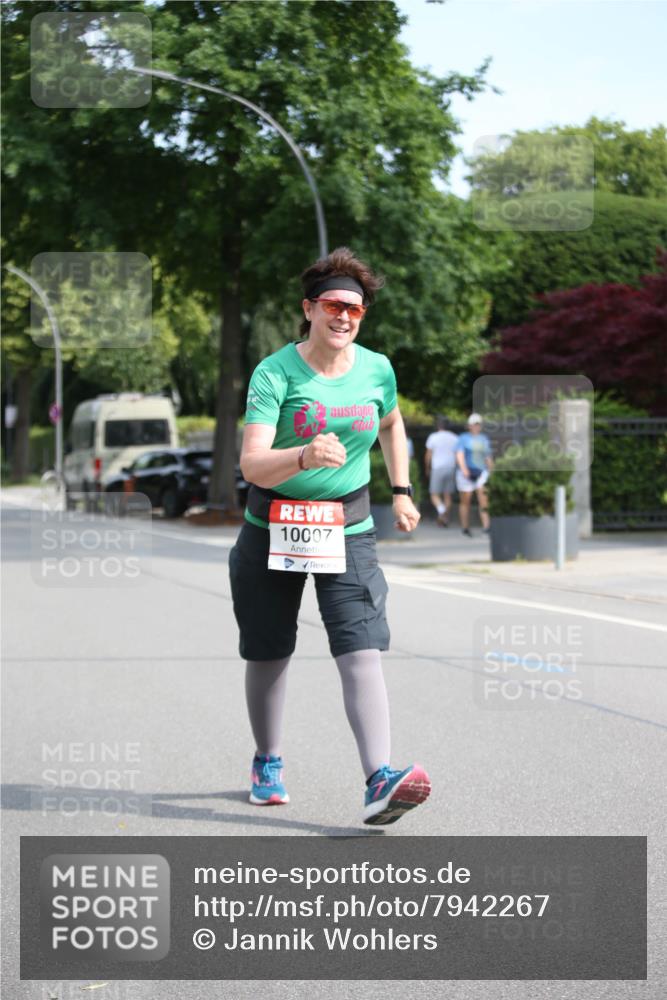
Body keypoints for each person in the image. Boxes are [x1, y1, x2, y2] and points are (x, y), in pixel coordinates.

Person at [229, 247, 431, 826]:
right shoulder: (276, 372)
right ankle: (267, 760)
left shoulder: (376, 369)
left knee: (360, 644)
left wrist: (402, 489)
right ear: (309, 309)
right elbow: (252, 466)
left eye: (356, 309)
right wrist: (301, 454)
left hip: (348, 526)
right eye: (334, 305)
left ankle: (379, 778)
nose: (344, 316)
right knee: (269, 650)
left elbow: (391, 423)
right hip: (275, 526)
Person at [455, 413, 493, 537]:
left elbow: (488, 456)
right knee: (466, 500)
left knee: (483, 499)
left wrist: (491, 470)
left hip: (481, 472)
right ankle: (465, 527)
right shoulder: (463, 438)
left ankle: (486, 527)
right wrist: (464, 469)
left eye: (478, 424)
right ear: (469, 426)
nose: (476, 427)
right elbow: (459, 455)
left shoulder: (484, 439)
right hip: (466, 473)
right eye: (474, 424)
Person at [424, 415, 458, 526]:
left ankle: (442, 511)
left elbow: (428, 454)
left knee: (434, 494)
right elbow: (458, 455)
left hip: (437, 467)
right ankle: (444, 518)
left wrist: (427, 467)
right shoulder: (454, 437)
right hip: (451, 467)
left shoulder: (433, 437)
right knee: (448, 495)